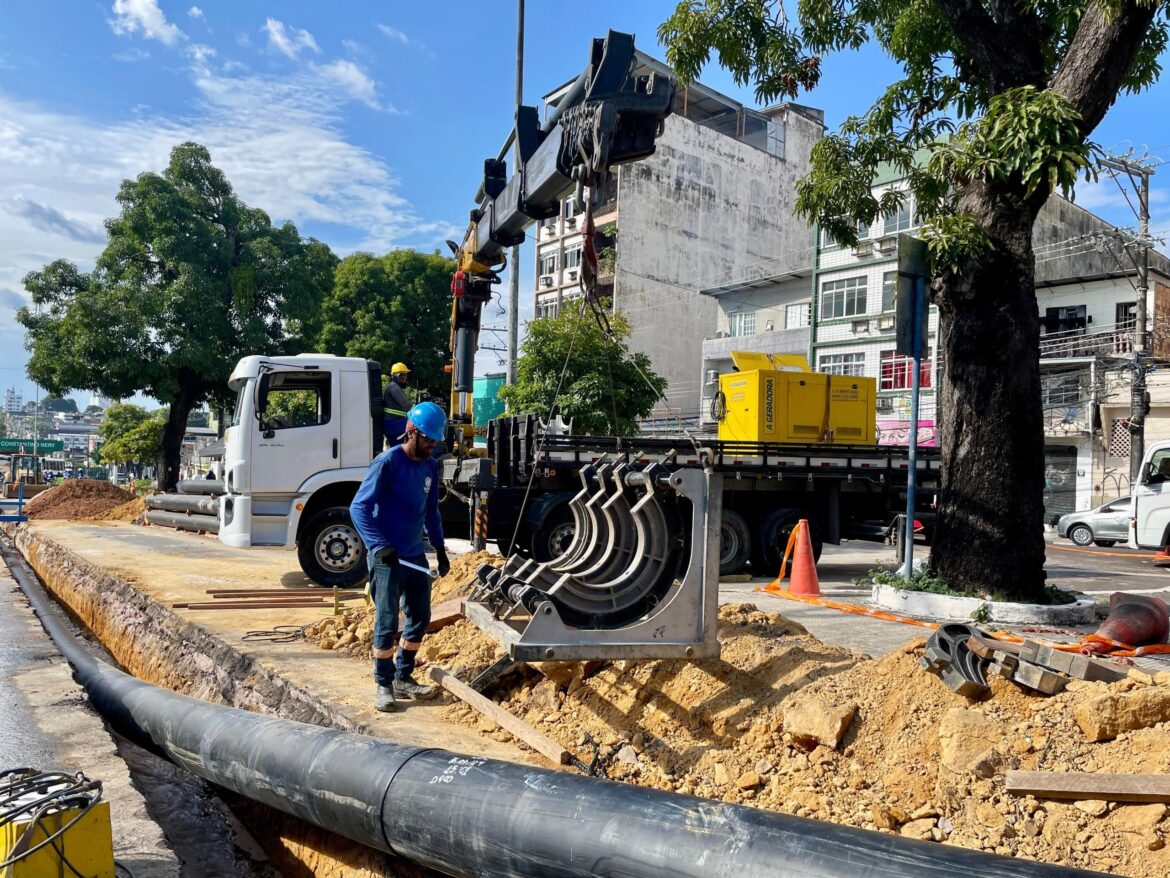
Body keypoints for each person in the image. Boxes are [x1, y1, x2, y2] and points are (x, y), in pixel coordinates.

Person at [350, 401, 451, 712]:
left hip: (413, 555)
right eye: (428, 440)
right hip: (386, 557)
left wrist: (441, 548)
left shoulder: (430, 465)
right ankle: (384, 683)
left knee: (420, 616)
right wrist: (379, 545)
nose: (432, 446)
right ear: (411, 432)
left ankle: (403, 676)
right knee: (387, 620)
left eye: (436, 441)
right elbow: (359, 508)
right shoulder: (388, 463)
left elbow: (431, 511)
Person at [382, 362, 412, 448]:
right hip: (394, 424)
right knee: (418, 428)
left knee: (398, 449)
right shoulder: (394, 387)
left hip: (395, 423)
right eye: (401, 375)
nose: (404, 377)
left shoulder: (395, 387)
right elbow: (407, 405)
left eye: (405, 375)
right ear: (394, 376)